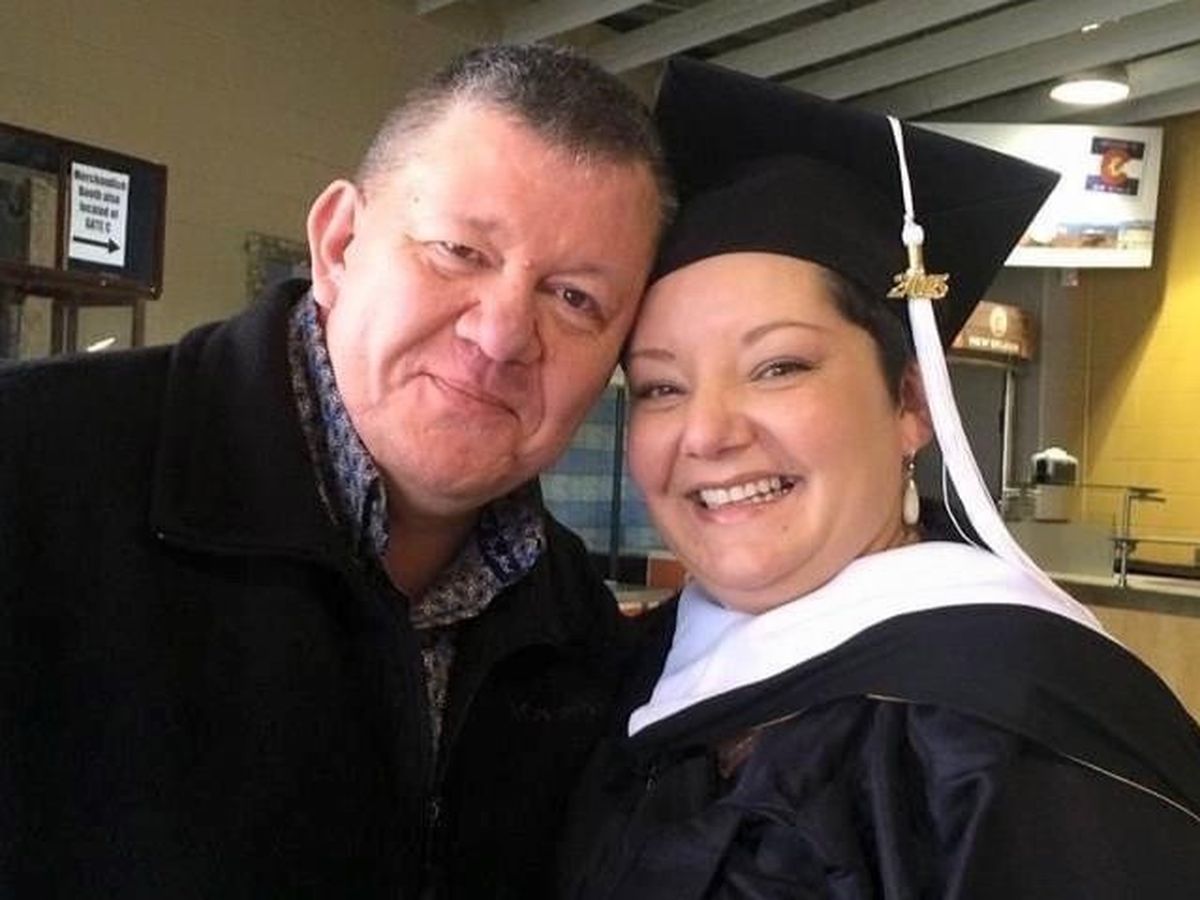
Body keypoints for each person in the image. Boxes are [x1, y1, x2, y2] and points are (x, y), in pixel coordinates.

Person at [0, 44, 671, 898]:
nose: (501, 335)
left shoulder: (576, 628)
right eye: (459, 251)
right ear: (339, 243)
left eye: (575, 298)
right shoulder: (32, 472)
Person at [560, 57, 1200, 899]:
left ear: (910, 403)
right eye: (659, 387)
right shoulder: (633, 667)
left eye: (779, 367)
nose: (707, 433)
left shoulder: (1012, 732)